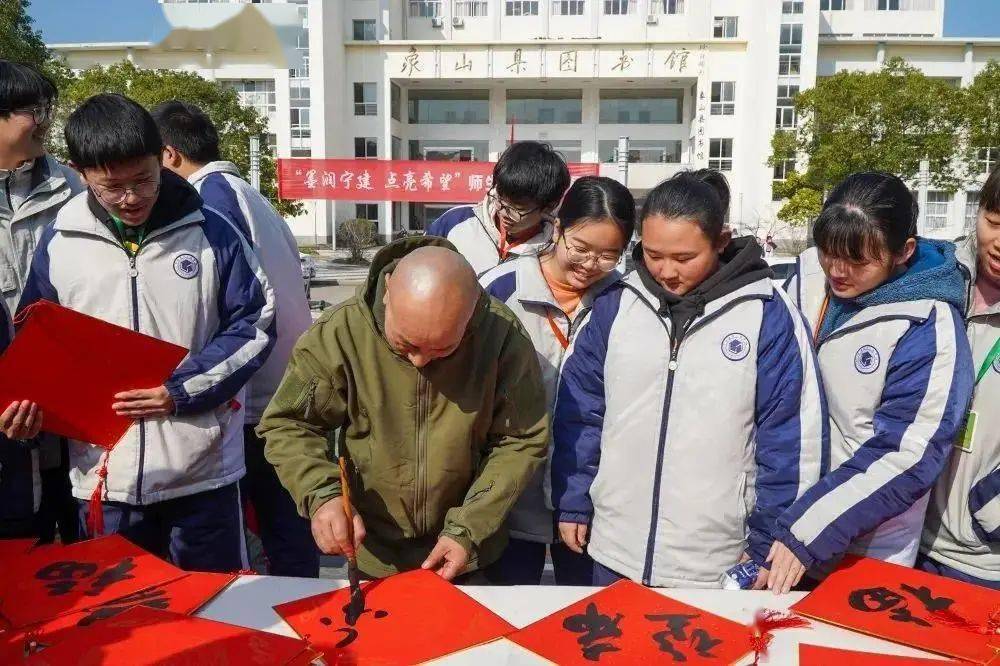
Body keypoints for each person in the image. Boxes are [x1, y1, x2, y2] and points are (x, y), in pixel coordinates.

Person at [18, 93, 276, 572]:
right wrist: (27, 409)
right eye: (111, 186)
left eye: (144, 179)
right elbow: (38, 339)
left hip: (203, 474)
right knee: (120, 624)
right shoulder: (61, 241)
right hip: (103, 478)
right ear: (81, 172)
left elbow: (255, 322)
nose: (131, 198)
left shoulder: (212, 232)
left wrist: (179, 391)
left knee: (214, 614)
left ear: (163, 159)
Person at [551, 171, 825, 590]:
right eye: (654, 254)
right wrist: (573, 502)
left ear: (720, 240)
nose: (666, 271)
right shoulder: (616, 305)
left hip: (714, 564)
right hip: (613, 552)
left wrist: (771, 540)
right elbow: (580, 414)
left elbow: (790, 440)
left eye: (684, 258)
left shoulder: (768, 313)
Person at [259, 237, 549, 581]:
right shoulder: (340, 333)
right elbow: (289, 424)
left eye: (444, 349)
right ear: (387, 290)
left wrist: (468, 528)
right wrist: (321, 494)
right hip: (373, 551)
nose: (420, 360)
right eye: (406, 344)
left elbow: (521, 439)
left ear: (470, 315)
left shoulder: (500, 337)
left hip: (469, 550)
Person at [770, 172, 974, 591]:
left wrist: (808, 528)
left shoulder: (928, 325)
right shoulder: (809, 274)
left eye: (858, 260)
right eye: (829, 251)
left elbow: (908, 453)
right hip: (779, 524)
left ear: (904, 252)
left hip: (860, 550)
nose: (837, 270)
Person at [152, 100, 317, 578]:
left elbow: (237, 310)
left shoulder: (207, 203)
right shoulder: (250, 194)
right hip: (283, 383)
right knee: (287, 525)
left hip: (250, 398)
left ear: (167, 154)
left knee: (269, 532)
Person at [479, 176, 635, 585]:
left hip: (593, 499)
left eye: (608, 255)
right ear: (558, 228)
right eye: (580, 248)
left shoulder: (627, 302)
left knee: (586, 620)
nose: (590, 265)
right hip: (510, 497)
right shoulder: (500, 290)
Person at [0, 60, 83, 543]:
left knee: (73, 548)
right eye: (33, 110)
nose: (46, 120)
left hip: (65, 407)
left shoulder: (74, 189)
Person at [919, 165, 1000, 590]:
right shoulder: (933, 280)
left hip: (983, 564)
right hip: (903, 541)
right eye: (993, 222)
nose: (999, 243)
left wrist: (990, 511)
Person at [426, 141, 570, 276]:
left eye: (518, 209)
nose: (503, 213)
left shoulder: (555, 251)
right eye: (500, 199)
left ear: (549, 206)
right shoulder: (454, 222)